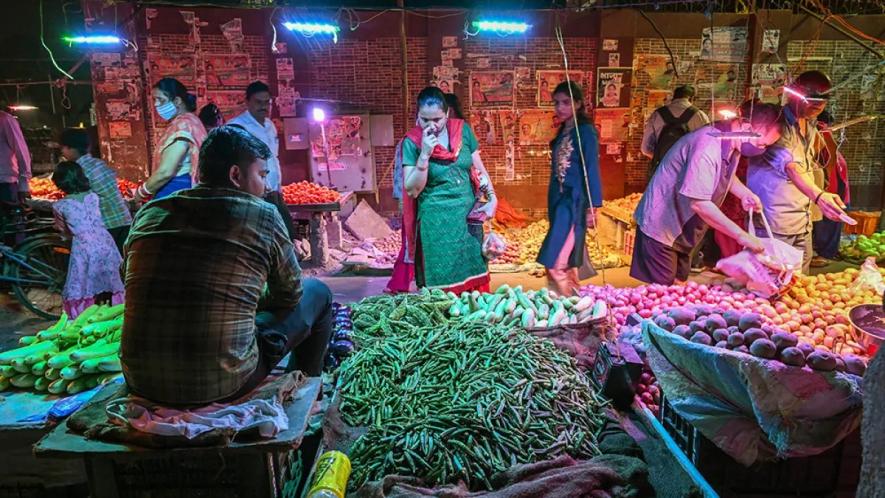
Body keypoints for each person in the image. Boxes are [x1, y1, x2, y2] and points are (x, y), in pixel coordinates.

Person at [121, 126, 333, 405]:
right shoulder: (263, 215)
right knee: (317, 292)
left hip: (140, 379)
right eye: (261, 175)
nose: (266, 186)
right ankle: (304, 395)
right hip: (221, 380)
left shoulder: (150, 212)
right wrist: (252, 300)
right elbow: (290, 294)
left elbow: (127, 277)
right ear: (235, 175)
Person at [630, 102, 784, 285]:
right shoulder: (708, 145)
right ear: (746, 127)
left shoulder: (731, 140)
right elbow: (700, 203)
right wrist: (741, 235)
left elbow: (723, 174)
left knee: (679, 290)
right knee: (662, 296)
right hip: (661, 228)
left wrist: (744, 193)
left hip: (682, 229)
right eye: (761, 143)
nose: (761, 149)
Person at [746, 71, 849, 273]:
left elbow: (806, 164)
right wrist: (819, 195)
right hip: (773, 222)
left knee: (799, 288)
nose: (818, 105)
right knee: (770, 284)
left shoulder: (810, 124)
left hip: (802, 221)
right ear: (794, 94)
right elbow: (790, 166)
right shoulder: (774, 122)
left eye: (823, 100)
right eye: (811, 99)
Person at [398, 86, 494, 293]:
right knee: (441, 284)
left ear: (447, 114)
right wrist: (424, 154)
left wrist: (492, 198)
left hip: (469, 221)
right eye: (425, 120)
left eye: (437, 120)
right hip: (437, 225)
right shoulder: (412, 142)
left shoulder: (463, 131)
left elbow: (479, 168)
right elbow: (413, 190)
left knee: (473, 279)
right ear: (417, 116)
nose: (431, 126)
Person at [537, 82, 603, 296]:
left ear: (578, 103)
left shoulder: (585, 132)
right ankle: (573, 306)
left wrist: (594, 205)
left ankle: (568, 308)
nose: (560, 108)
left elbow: (591, 168)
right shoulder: (564, 131)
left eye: (566, 103)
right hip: (559, 203)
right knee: (564, 262)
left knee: (556, 263)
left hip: (574, 203)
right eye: (556, 103)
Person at [51, 161, 124, 318]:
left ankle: (87, 316)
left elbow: (64, 233)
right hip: (106, 242)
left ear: (59, 182)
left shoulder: (60, 206)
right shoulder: (93, 197)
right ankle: (115, 313)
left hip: (84, 247)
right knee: (111, 281)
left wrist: (66, 234)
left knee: (84, 286)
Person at [228, 81, 295, 239]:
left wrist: (278, 185)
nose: (263, 107)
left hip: (273, 191)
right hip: (252, 194)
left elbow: (273, 157)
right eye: (258, 102)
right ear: (247, 102)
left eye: (267, 103)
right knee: (262, 238)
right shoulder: (236, 127)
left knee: (287, 235)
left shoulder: (270, 125)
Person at [58, 128, 132, 254]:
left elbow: (80, 201)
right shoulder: (99, 163)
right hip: (124, 219)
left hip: (106, 225)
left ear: (71, 148)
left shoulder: (79, 170)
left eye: (63, 148)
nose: (62, 152)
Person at [135, 78, 207, 202]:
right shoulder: (192, 122)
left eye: (161, 100)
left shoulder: (183, 126)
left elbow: (166, 172)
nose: (156, 104)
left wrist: (142, 192)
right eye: (155, 100)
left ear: (177, 101)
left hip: (176, 191)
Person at [641, 85, 710, 178]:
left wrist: (661, 158)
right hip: (689, 174)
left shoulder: (657, 114)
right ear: (692, 99)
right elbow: (707, 148)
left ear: (674, 97)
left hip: (662, 173)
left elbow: (645, 149)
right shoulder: (700, 116)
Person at [811, 110, 850, 266]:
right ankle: (825, 251)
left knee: (828, 221)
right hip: (830, 187)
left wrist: (824, 190)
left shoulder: (822, 134)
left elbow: (830, 162)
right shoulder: (820, 136)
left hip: (831, 188)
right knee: (826, 222)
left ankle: (826, 254)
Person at [0, 104, 31, 210]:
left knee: (9, 223)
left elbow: (21, 151)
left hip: (4, 185)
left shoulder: (5, 120)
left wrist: (23, 184)